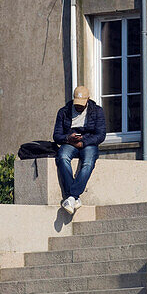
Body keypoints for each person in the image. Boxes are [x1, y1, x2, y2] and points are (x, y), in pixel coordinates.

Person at [52, 85, 106, 214]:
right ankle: (74, 197)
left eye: (82, 104)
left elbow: (100, 135)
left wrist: (84, 142)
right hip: (70, 142)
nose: (79, 107)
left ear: (88, 100)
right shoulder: (64, 111)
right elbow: (56, 135)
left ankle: (71, 196)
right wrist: (68, 138)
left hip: (88, 142)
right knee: (62, 157)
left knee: (88, 163)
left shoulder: (97, 111)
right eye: (77, 104)